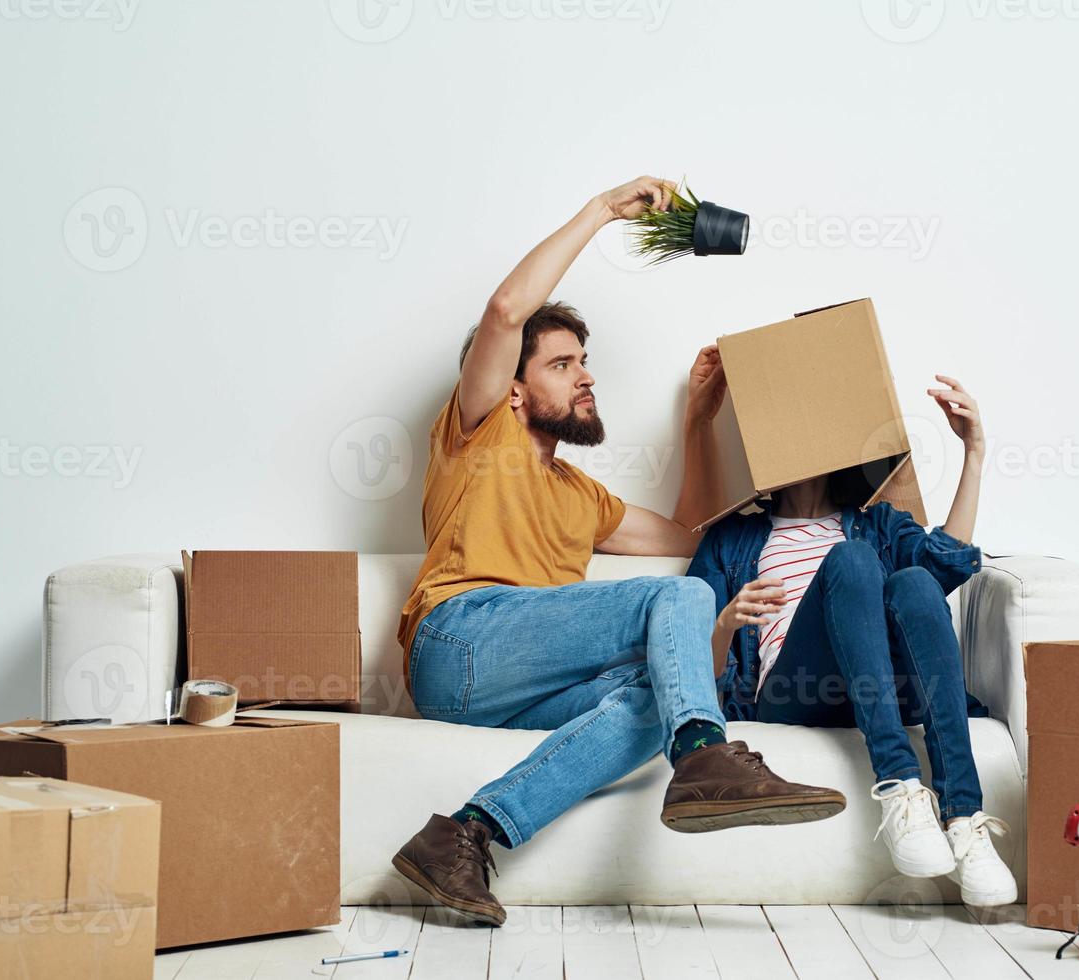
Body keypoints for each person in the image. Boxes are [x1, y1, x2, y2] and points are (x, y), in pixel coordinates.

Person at [392, 177, 845, 927]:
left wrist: (698, 421)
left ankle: (466, 834)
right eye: (562, 364)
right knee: (683, 611)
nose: (586, 375)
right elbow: (507, 311)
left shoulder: (581, 497)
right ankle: (704, 753)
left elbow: (689, 540)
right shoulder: (477, 433)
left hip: (511, 689)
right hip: (457, 639)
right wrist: (602, 211)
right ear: (509, 389)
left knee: (656, 697)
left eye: (583, 360)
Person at [686, 375, 1018, 907]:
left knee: (912, 580)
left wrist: (974, 454)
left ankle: (963, 817)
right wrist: (725, 623)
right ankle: (899, 787)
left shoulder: (877, 522)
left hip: (886, 686)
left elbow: (945, 566)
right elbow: (691, 666)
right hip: (794, 690)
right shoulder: (731, 539)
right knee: (852, 561)